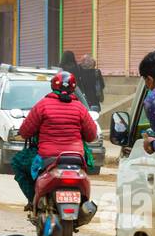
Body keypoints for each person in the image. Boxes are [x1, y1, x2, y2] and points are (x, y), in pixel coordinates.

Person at [15, 70, 98, 202]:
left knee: (18, 163)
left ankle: (33, 199)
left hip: (48, 158)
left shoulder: (42, 105)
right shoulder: (80, 108)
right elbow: (91, 136)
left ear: (53, 86)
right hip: (76, 158)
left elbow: (25, 133)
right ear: (73, 88)